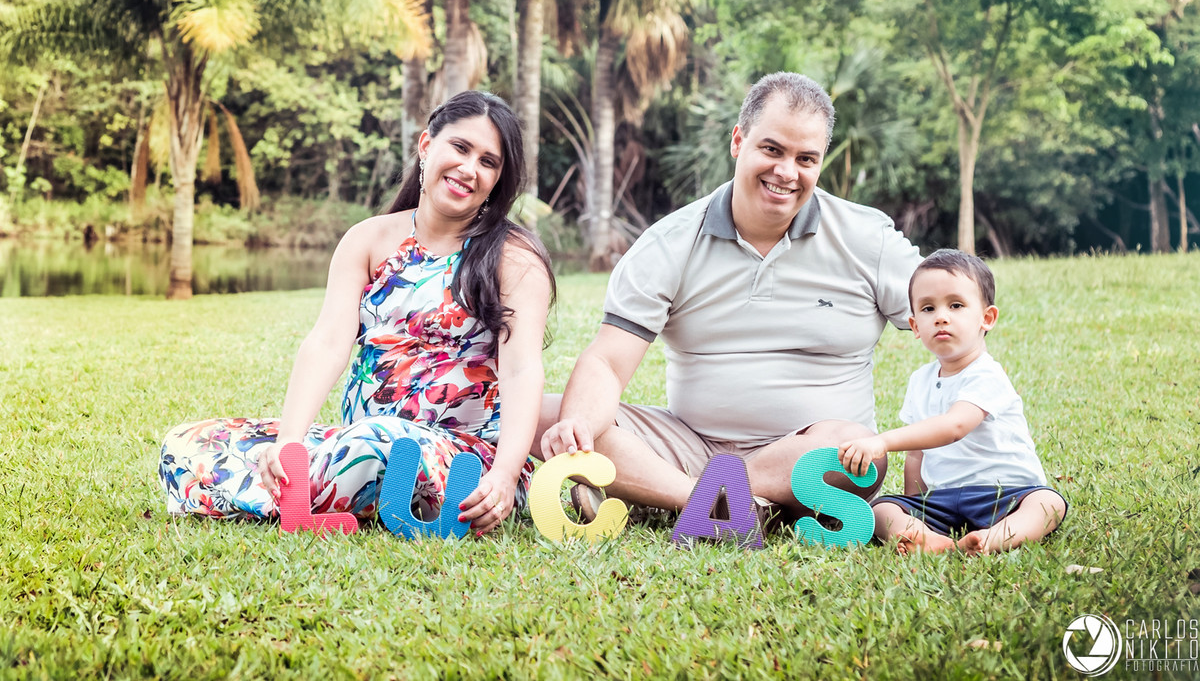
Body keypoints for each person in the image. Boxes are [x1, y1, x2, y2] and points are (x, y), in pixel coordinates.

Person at [159, 90, 555, 536]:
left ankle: (310, 495)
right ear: (427, 146)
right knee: (186, 444)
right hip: (358, 442)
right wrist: (289, 440)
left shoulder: (513, 258)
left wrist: (504, 475)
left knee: (384, 445)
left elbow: (522, 370)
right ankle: (324, 494)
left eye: (488, 162)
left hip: (465, 457)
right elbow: (328, 342)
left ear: (498, 179)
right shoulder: (368, 239)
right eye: (461, 148)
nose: (469, 169)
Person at [538, 72, 921, 522]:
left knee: (856, 454)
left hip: (808, 455)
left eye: (806, 158)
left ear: (821, 162)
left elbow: (951, 321)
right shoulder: (669, 242)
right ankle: (724, 503)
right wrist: (578, 425)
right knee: (544, 415)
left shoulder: (867, 238)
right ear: (738, 141)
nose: (786, 172)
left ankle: (664, 494)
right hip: (686, 443)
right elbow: (606, 362)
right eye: (772, 149)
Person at [837, 249, 1067, 554]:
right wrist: (914, 507)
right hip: (943, 500)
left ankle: (993, 539)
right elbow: (917, 455)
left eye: (956, 305)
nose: (941, 316)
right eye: (928, 309)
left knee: (1048, 503)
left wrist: (883, 442)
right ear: (915, 326)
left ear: (987, 318)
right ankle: (929, 539)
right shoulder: (920, 380)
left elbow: (954, 425)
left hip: (1005, 495)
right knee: (881, 510)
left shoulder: (987, 374)